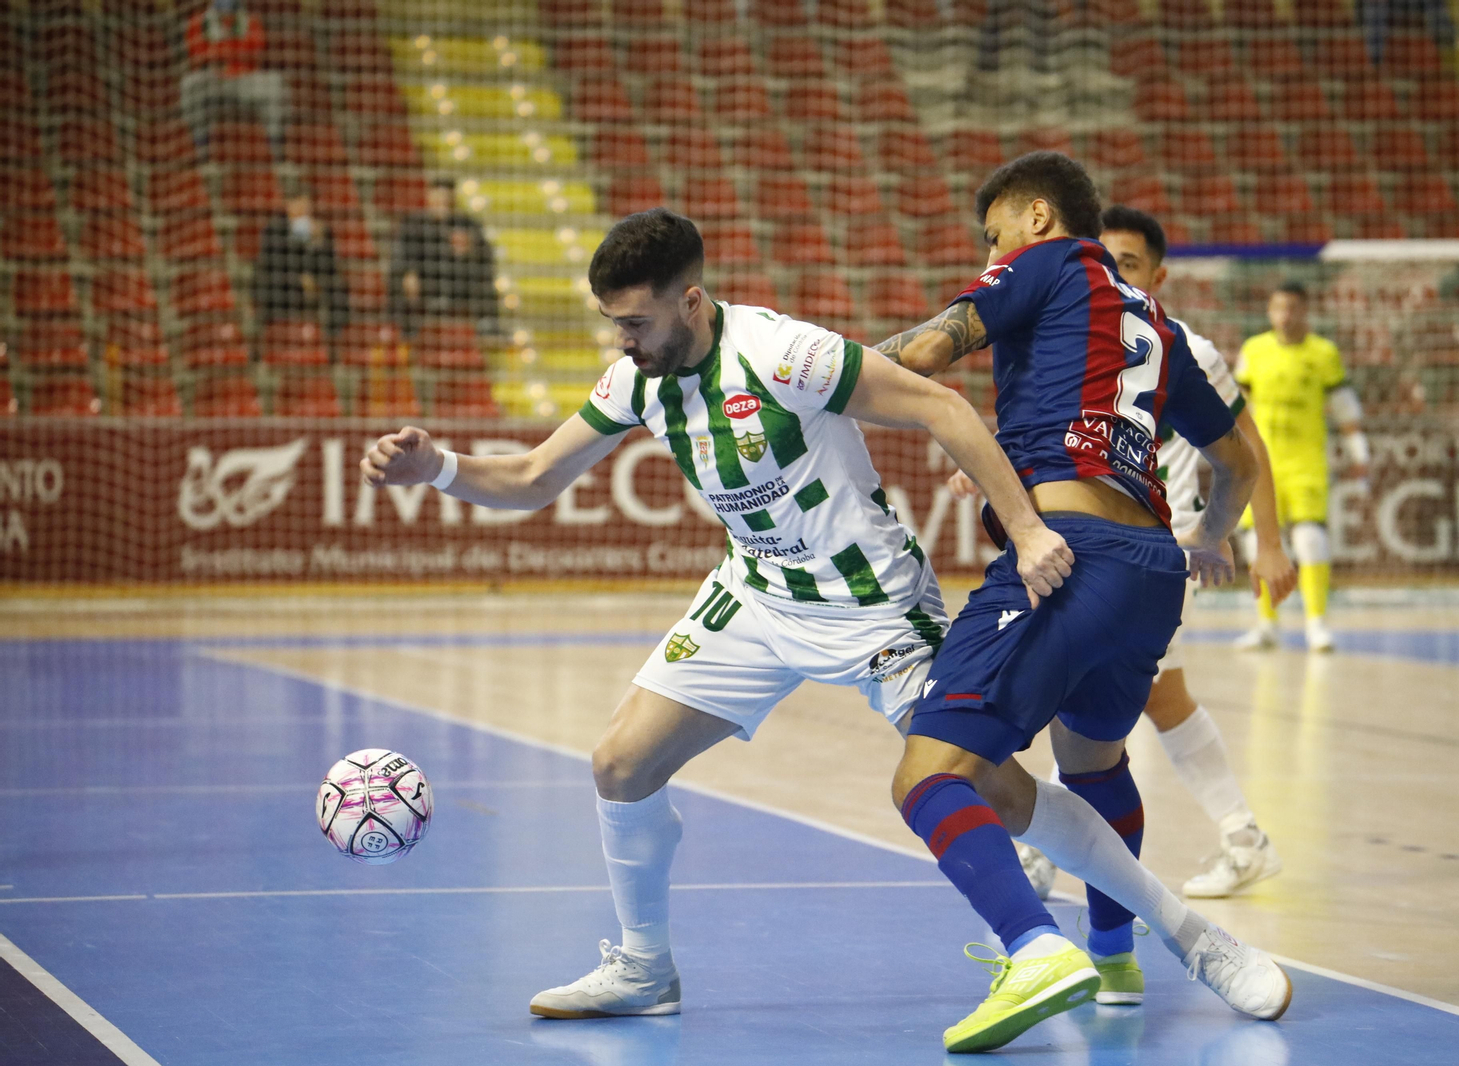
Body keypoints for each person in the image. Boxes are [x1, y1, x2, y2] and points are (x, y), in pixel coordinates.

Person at [359, 208, 1075, 1022]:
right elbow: (531, 478)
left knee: (988, 783)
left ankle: (1170, 929)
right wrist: (436, 467)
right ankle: (643, 969)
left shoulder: (781, 352)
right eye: (613, 324)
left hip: (866, 597)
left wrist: (1024, 530)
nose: (622, 340)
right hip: (759, 596)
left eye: (634, 322)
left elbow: (942, 406)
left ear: (690, 302)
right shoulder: (635, 378)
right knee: (621, 765)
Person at [875, 153, 1291, 1052]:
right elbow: (1239, 466)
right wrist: (1211, 542)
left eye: (993, 235)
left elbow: (924, 356)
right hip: (1150, 569)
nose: (991, 252)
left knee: (928, 774)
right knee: (1094, 763)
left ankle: (1033, 948)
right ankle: (1114, 958)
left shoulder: (1047, 260)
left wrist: (817, 371)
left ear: (1036, 215)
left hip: (1066, 554)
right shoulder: (1160, 324)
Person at [1233, 280, 1370, 653]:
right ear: (1269, 311)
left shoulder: (1323, 353)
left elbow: (1344, 408)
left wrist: (1359, 454)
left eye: (1293, 308)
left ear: (1305, 311)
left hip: (1305, 465)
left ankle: (1316, 625)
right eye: (1279, 308)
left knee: (1311, 541)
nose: (1285, 316)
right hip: (1261, 466)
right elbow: (1238, 408)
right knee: (1254, 544)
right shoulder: (1253, 351)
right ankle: (1267, 624)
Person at [390, 177, 500, 337]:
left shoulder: (468, 224)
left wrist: (470, 251)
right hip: (426, 283)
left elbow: (486, 258)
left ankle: (487, 329)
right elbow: (400, 255)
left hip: (460, 284)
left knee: (485, 285)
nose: (443, 202)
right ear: (430, 197)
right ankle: (406, 334)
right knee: (401, 286)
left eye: (447, 198)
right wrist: (408, 273)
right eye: (439, 197)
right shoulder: (412, 224)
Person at [180, 0, 286, 154]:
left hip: (244, 80)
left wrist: (218, 54)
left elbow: (256, 55)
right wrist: (227, 54)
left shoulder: (251, 21)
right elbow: (195, 57)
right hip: (213, 81)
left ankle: (278, 152)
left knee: (275, 81)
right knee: (189, 83)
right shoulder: (199, 22)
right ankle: (202, 150)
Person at [251, 188, 350, 338]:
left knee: (338, 286)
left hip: (313, 281)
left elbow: (329, 264)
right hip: (282, 281)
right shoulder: (274, 229)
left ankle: (335, 338)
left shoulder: (321, 229)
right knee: (272, 286)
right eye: (299, 205)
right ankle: (273, 335)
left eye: (306, 206)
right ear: (289, 205)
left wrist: (318, 242)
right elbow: (276, 263)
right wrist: (300, 277)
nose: (304, 210)